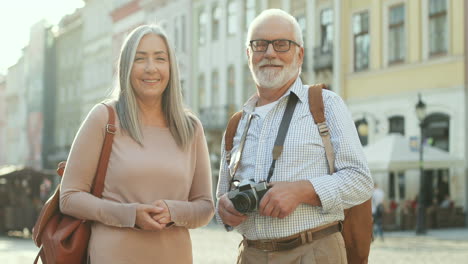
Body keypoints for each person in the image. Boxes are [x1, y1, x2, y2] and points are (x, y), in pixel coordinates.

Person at [215, 9, 373, 264]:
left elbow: (361, 181)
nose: (269, 53)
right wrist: (224, 209)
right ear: (248, 55)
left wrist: (304, 190)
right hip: (251, 254)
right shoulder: (237, 123)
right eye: (259, 45)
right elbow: (221, 197)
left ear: (299, 54)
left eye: (282, 44)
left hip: (314, 251)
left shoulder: (325, 104)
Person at [59, 24, 214, 263]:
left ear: (171, 67)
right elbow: (69, 197)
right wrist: (130, 214)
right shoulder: (104, 118)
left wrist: (173, 211)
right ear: (125, 67)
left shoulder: (191, 128)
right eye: (140, 59)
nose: (151, 68)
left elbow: (205, 207)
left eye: (160, 58)